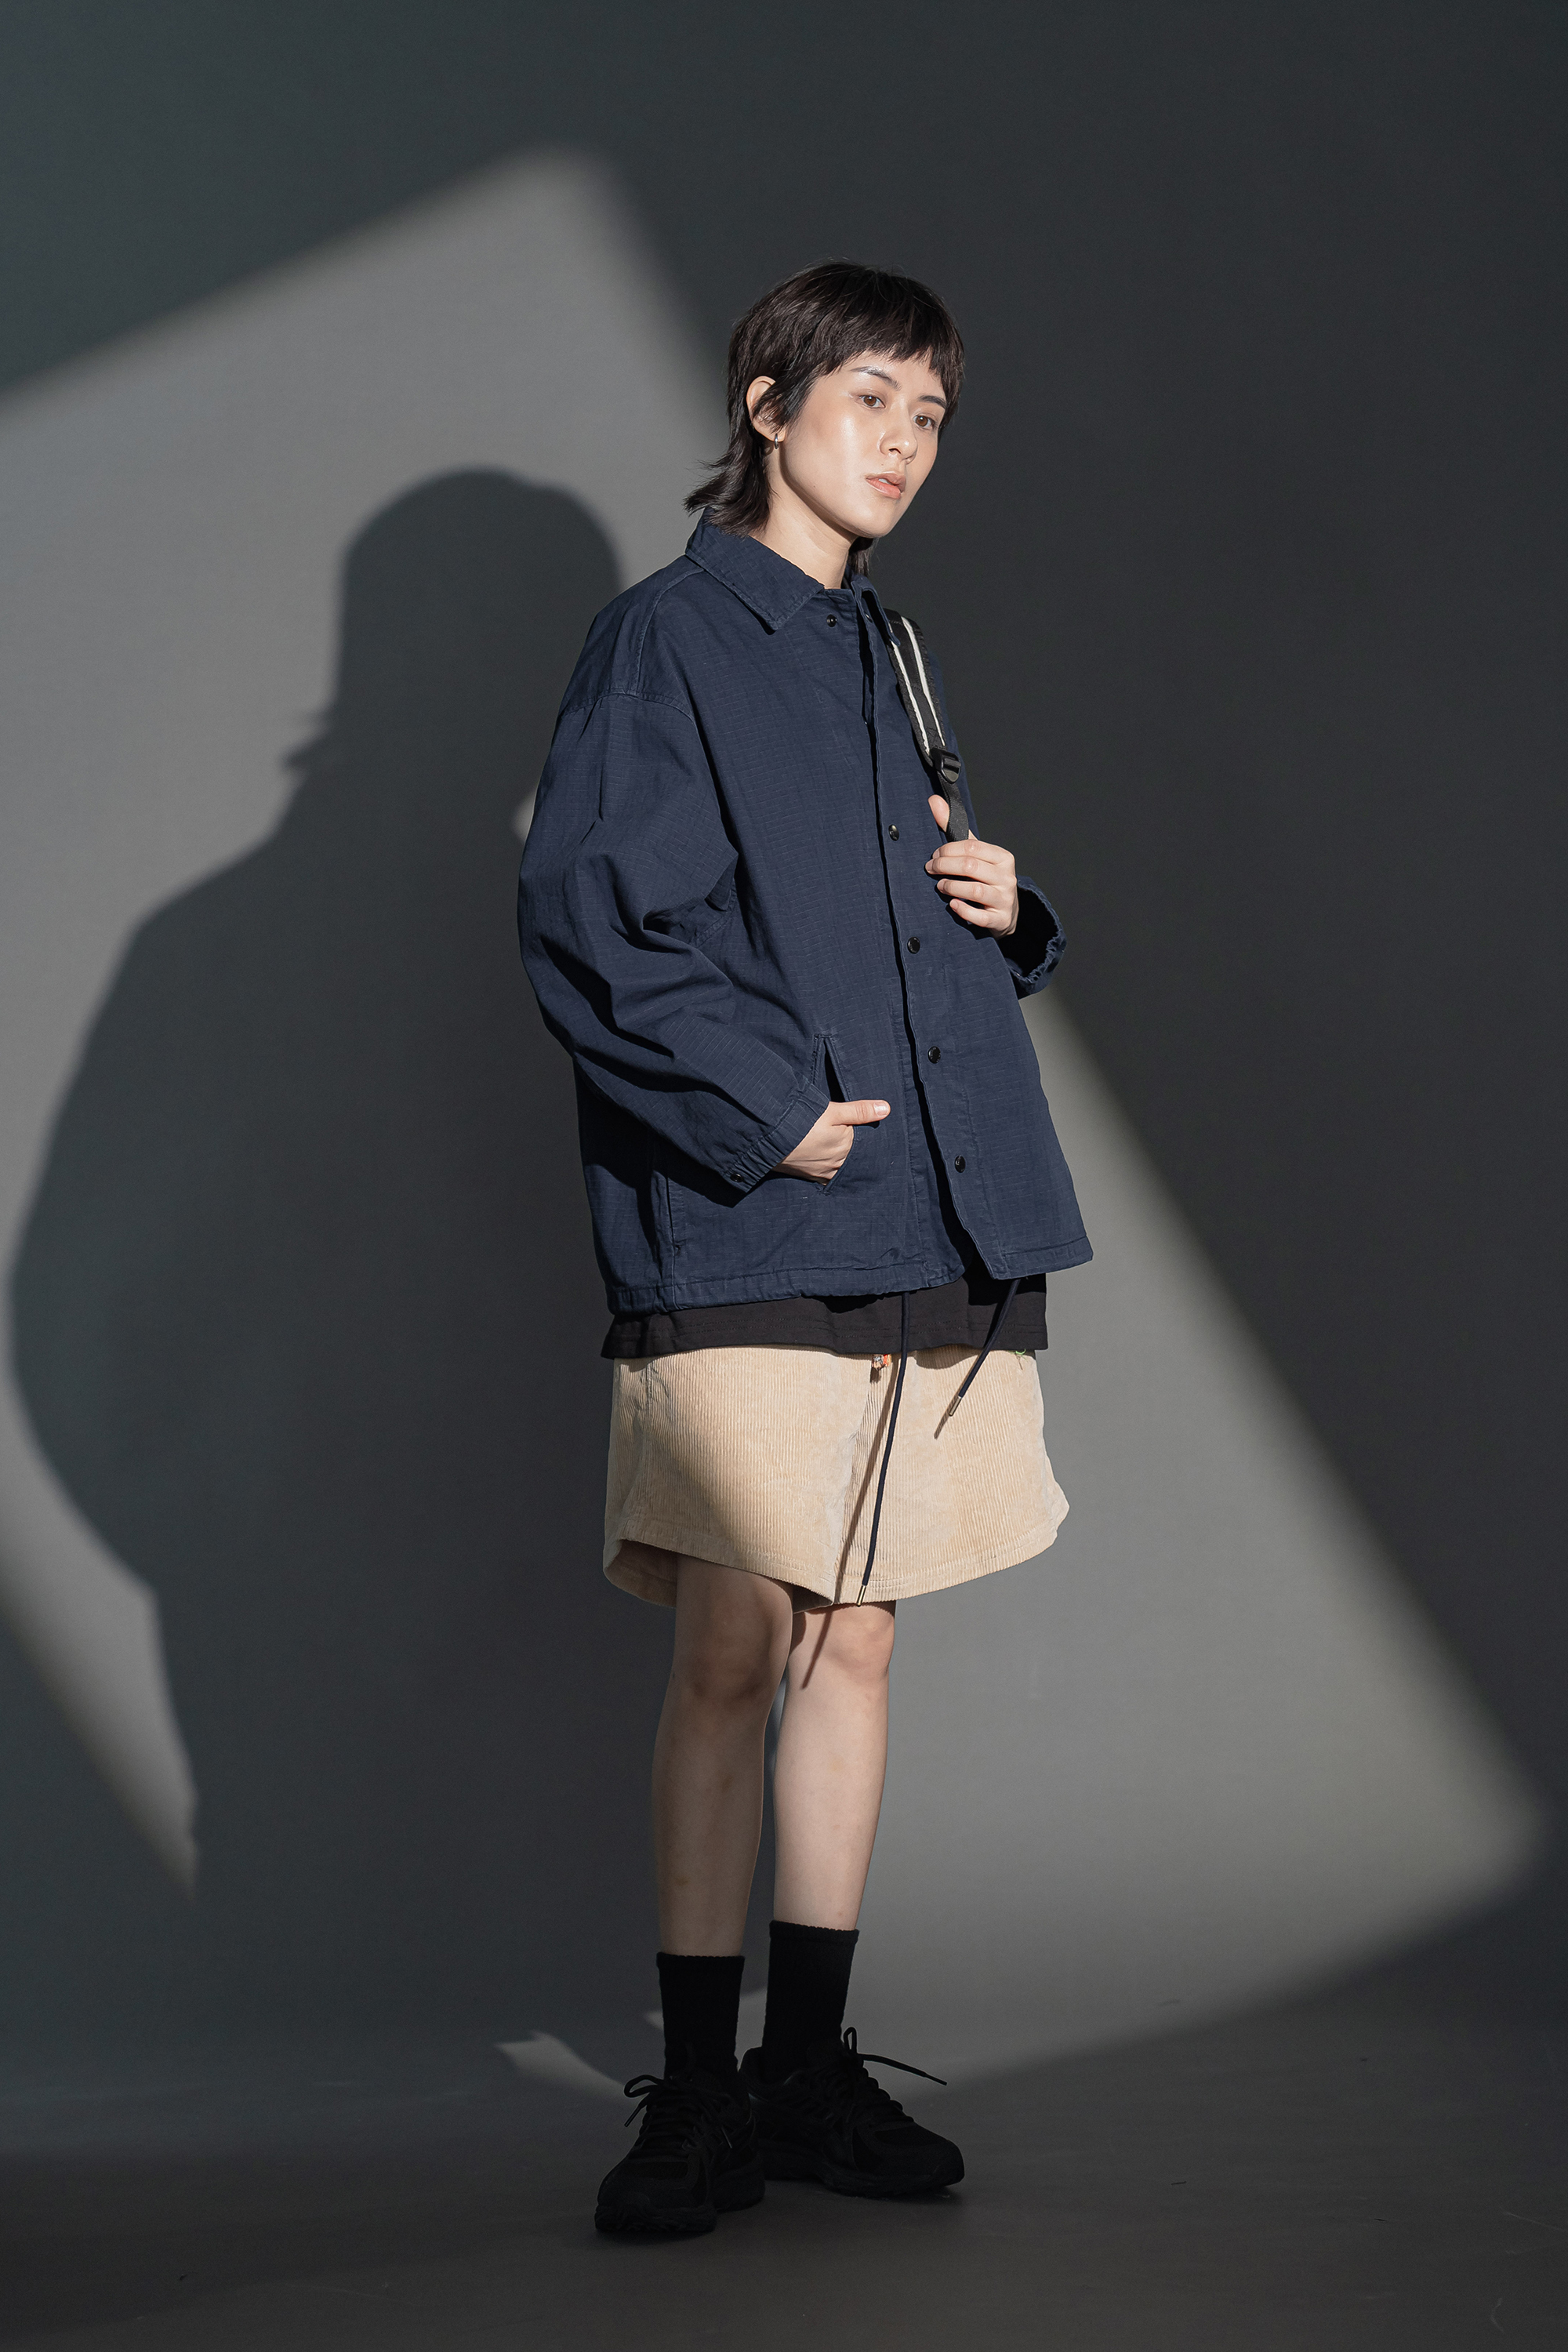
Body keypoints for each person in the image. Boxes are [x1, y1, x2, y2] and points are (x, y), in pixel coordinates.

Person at [517, 261, 1089, 2237]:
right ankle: (693, 2095)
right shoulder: (665, 639)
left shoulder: (886, 650)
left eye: (931, 416)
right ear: (765, 406)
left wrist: (1006, 906)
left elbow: (880, 914)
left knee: (860, 1635)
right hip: (756, 1204)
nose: (904, 445)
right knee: (737, 1640)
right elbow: (595, 914)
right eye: (869, 402)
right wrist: (768, 1107)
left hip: (933, 1202)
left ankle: (805, 2069)